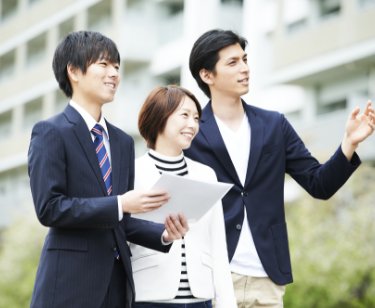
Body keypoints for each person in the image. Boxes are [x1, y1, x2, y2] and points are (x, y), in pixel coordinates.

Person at [184, 29, 375, 308]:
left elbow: (318, 184)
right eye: (233, 62)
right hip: (213, 275)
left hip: (268, 277)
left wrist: (349, 143)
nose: (245, 69)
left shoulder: (274, 125)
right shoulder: (191, 132)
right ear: (207, 75)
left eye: (245, 59)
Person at [28, 31, 188, 308]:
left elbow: (120, 220)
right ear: (74, 71)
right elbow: (50, 208)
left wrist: (162, 234)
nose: (114, 73)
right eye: (104, 64)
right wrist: (120, 203)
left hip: (116, 287)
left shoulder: (123, 141)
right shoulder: (50, 132)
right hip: (68, 285)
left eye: (117, 66)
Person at [129, 85, 237, 308]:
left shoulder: (206, 174)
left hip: (201, 300)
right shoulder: (131, 172)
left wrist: (227, 304)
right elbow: (121, 233)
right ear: (159, 117)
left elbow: (217, 245)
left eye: (196, 118)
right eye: (185, 115)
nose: (192, 124)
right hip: (149, 298)